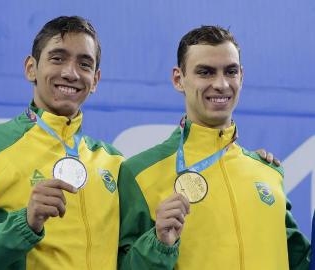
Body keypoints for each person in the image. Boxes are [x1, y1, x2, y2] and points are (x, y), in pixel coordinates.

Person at [0, 16, 126, 270]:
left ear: (95, 80)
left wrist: (160, 242)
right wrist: (24, 224)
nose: (70, 73)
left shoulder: (115, 163)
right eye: (57, 58)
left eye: (84, 64)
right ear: (31, 68)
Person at [118, 25, 310, 270]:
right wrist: (158, 243)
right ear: (179, 79)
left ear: (241, 76)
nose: (221, 84)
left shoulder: (268, 173)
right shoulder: (139, 173)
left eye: (230, 71)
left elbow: (303, 262)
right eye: (206, 72)